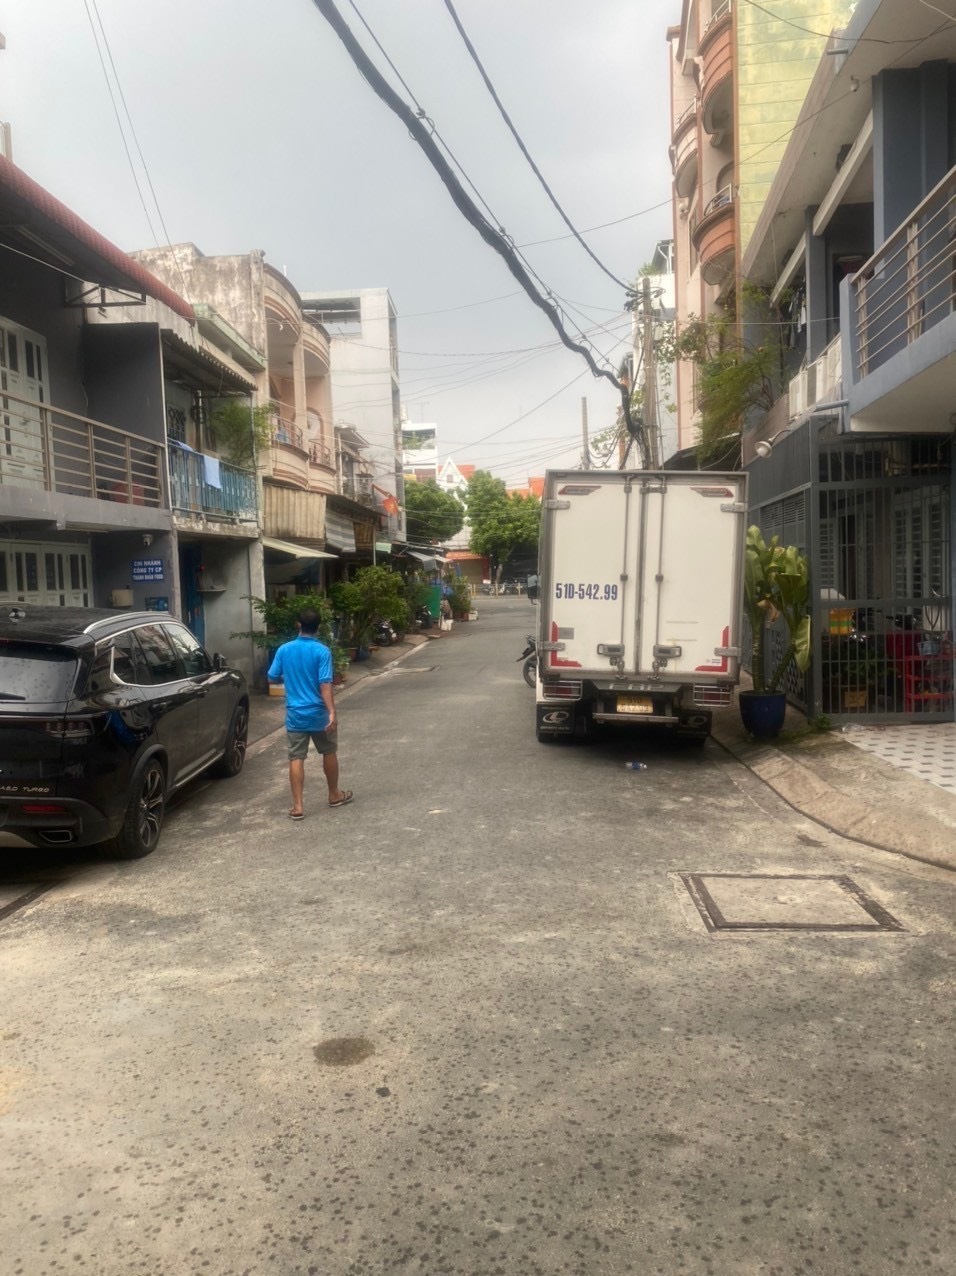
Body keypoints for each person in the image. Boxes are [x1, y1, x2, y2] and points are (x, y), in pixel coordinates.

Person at [268, 607, 353, 820]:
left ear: (298, 624)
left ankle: (298, 806)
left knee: (296, 757)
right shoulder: (322, 651)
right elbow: (325, 684)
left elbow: (271, 677)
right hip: (319, 713)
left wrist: (288, 678)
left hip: (295, 714)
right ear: (319, 626)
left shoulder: (284, 650)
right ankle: (334, 794)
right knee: (329, 751)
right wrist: (332, 712)